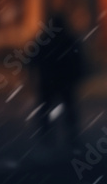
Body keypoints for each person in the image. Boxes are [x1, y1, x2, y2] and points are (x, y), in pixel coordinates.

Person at [32, 13, 85, 147]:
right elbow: (78, 59)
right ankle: (70, 136)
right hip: (63, 79)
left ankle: (48, 136)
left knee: (47, 109)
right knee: (68, 108)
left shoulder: (44, 39)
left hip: (49, 79)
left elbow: (33, 59)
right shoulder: (68, 39)